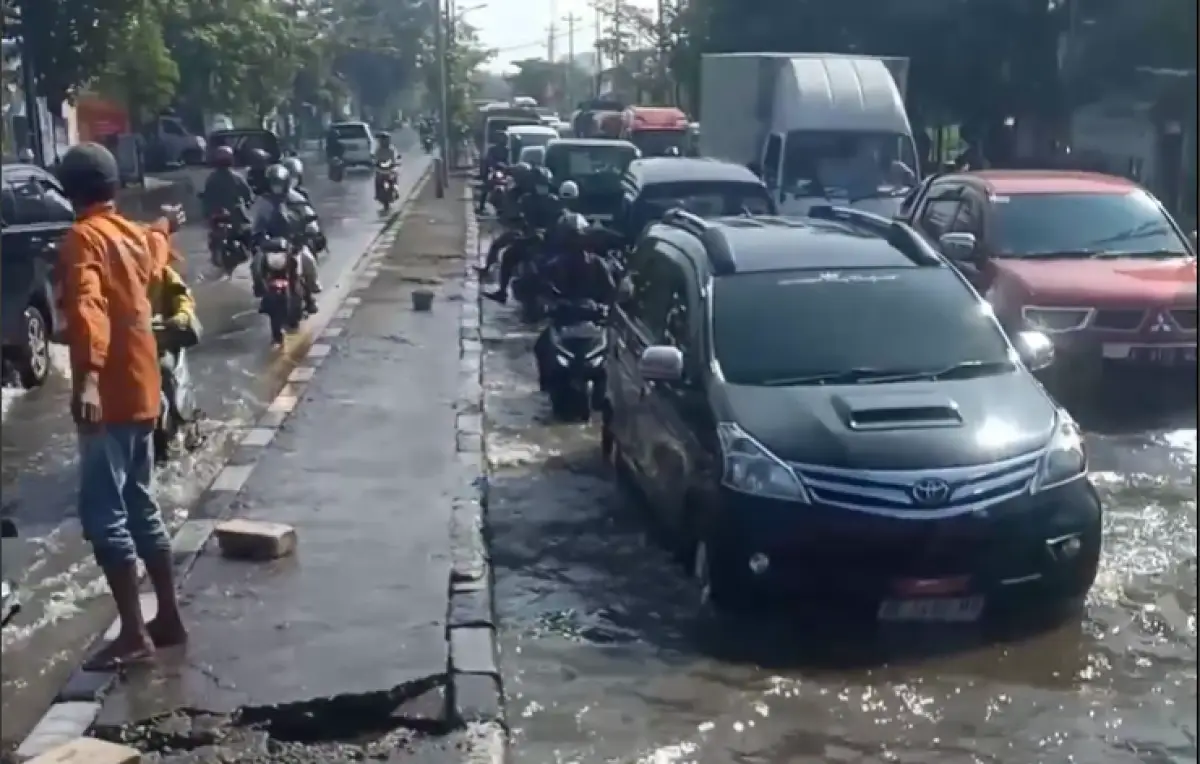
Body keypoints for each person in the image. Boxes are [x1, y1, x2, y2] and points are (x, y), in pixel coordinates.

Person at [54, 143, 187, 669]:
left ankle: (134, 634)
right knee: (141, 505)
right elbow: (154, 251)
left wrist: (87, 379)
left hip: (108, 395)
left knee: (105, 516)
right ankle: (167, 617)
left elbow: (88, 308)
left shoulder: (83, 239)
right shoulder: (130, 234)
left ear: (70, 191)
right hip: (144, 388)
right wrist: (165, 225)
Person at [533, 212, 617, 383]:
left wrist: (605, 307)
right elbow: (542, 287)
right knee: (541, 347)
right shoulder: (556, 264)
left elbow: (611, 291)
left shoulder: (598, 263)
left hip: (591, 319)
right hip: (566, 317)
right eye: (573, 239)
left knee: (612, 354)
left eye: (579, 238)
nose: (577, 243)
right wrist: (548, 304)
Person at [484, 167, 564, 303]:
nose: (542, 187)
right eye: (540, 184)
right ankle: (502, 292)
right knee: (508, 255)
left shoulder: (555, 201)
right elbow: (518, 217)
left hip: (550, 242)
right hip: (530, 240)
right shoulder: (526, 199)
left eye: (544, 184)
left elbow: (561, 219)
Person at [249, 164, 320, 313]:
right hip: (270, 244)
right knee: (256, 264)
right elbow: (254, 220)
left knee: (309, 261)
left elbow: (308, 214)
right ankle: (262, 291)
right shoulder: (263, 201)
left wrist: (311, 228)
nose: (277, 187)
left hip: (294, 242)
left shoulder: (296, 198)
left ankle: (310, 295)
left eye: (279, 183)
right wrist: (253, 233)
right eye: (274, 183)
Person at [200, 146, 254, 266]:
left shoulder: (212, 178)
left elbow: (206, 198)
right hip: (230, 213)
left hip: (226, 214)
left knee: (247, 231)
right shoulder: (236, 177)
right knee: (248, 231)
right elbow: (248, 195)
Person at [373, 134, 399, 201]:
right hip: (380, 169)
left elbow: (395, 158)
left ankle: (396, 192)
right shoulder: (378, 150)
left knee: (395, 178)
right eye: (383, 140)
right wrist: (375, 163)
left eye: (385, 140)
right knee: (377, 180)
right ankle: (377, 194)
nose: (384, 141)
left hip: (390, 168)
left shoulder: (392, 149)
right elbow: (375, 159)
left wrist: (396, 163)